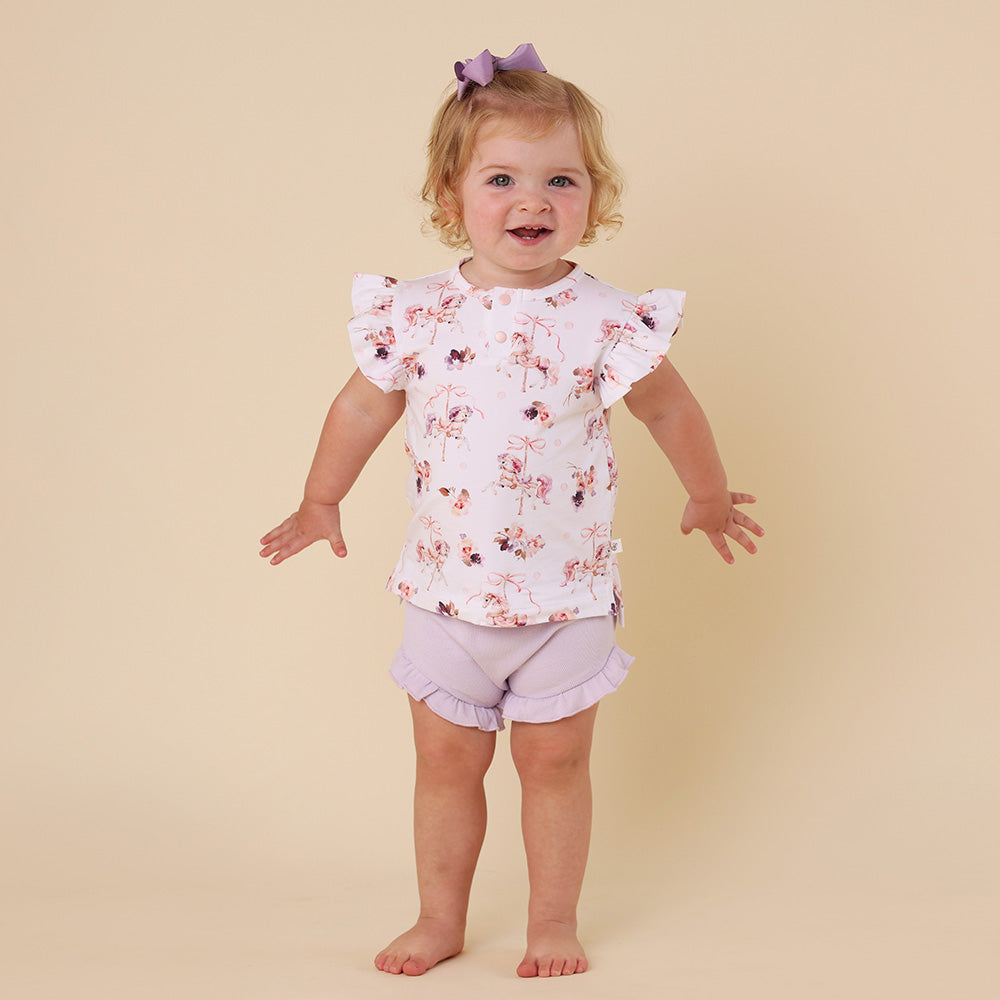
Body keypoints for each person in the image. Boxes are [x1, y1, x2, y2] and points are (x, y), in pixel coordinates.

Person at [259, 43, 763, 979]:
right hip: (446, 595)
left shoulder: (608, 319)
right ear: (449, 196)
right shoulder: (415, 314)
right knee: (445, 767)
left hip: (565, 598)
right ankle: (438, 918)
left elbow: (668, 409)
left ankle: (552, 923)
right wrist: (321, 498)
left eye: (560, 179)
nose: (532, 200)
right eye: (501, 179)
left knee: (555, 766)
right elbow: (362, 408)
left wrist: (706, 493)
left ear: (592, 199)